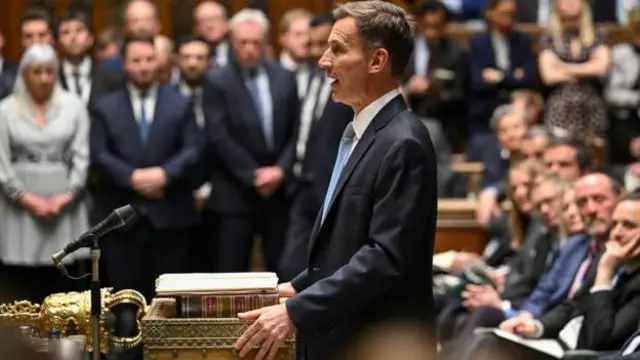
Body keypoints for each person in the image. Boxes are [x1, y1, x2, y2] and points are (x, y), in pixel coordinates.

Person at [234, 2, 437, 360]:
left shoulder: (403, 141)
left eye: (338, 49)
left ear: (377, 61)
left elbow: (383, 257)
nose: (323, 60)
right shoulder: (363, 132)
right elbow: (346, 243)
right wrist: (296, 288)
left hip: (378, 343)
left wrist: (297, 311)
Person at [0, 44, 89, 302]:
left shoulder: (74, 106)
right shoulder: (5, 110)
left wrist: (67, 196)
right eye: (36, 71)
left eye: (50, 71)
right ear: (25, 74)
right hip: (18, 206)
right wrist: (26, 198)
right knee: (22, 284)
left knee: (63, 281)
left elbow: (81, 157)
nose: (43, 78)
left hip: (65, 205)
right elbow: (1, 162)